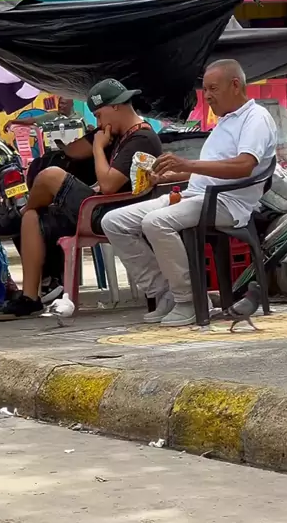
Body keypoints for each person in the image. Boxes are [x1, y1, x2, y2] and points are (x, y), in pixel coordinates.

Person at [101, 59, 277, 327]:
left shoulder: (256, 119)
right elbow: (211, 170)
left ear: (235, 85)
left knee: (156, 222)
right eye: (204, 89)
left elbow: (244, 166)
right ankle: (165, 293)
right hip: (197, 195)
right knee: (114, 222)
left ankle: (189, 300)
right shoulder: (226, 121)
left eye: (213, 88)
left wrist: (187, 165)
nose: (207, 96)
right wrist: (170, 176)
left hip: (226, 203)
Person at [0, 78, 162, 320]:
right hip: (100, 206)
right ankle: (30, 298)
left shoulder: (141, 138)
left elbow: (109, 185)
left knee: (50, 176)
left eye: (100, 115)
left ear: (116, 106)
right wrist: (97, 141)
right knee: (32, 218)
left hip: (114, 212)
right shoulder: (119, 135)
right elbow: (74, 152)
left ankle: (17, 213)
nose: (99, 123)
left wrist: (98, 148)